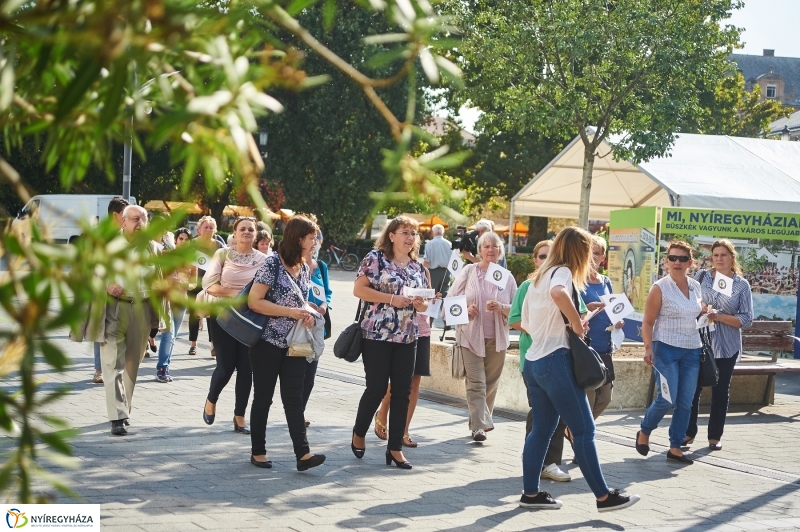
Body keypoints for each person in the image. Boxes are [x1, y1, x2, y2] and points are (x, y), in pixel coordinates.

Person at [519, 226, 639, 511]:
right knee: (584, 431)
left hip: (535, 360)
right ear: (579, 252)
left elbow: (526, 321)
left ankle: (531, 494)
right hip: (555, 359)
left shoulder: (537, 278)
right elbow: (560, 294)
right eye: (589, 251)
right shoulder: (561, 273)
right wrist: (574, 323)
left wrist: (572, 320)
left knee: (542, 430)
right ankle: (604, 496)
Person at [247, 215, 326, 471]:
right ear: (299, 238)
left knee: (294, 398)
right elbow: (254, 301)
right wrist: (289, 312)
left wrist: (308, 315)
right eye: (312, 238)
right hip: (267, 342)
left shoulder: (304, 267)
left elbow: (300, 301)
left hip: (294, 344)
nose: (315, 242)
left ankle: (303, 455)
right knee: (264, 398)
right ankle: (258, 451)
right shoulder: (272, 264)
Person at [350, 216, 429, 470]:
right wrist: (391, 299)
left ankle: (394, 448)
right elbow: (359, 290)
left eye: (413, 233)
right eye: (405, 232)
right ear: (392, 235)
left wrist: (420, 303)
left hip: (408, 336)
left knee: (402, 392)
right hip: (377, 335)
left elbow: (425, 302)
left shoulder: (417, 267)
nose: (410, 237)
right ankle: (359, 432)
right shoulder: (376, 259)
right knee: (376, 388)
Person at [636, 241, 702, 465]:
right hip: (665, 349)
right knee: (667, 398)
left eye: (683, 259)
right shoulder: (660, 287)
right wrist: (648, 348)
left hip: (692, 350)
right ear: (666, 261)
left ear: (690, 263)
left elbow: (695, 314)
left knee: (685, 401)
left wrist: (707, 314)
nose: (677, 262)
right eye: (673, 258)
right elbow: (647, 322)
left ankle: (675, 447)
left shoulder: (695, 286)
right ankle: (645, 431)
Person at [510, 239, 570, 482]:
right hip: (534, 359)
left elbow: (581, 311)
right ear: (535, 260)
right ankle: (539, 461)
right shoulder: (527, 286)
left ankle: (547, 461)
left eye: (551, 255)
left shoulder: (564, 283)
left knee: (557, 412)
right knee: (541, 412)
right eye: (542, 256)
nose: (547, 260)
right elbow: (514, 320)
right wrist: (541, 329)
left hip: (560, 357)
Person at [448, 231, 517, 442]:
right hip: (470, 336)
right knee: (476, 383)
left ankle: (479, 421)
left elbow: (518, 309)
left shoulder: (506, 277)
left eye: (495, 246)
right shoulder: (469, 271)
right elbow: (451, 301)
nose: (490, 250)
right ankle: (479, 427)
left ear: (500, 251)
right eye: (486, 246)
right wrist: (466, 309)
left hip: (497, 339)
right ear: (479, 250)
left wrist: (502, 307)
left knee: (491, 383)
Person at [685, 239, 753, 451]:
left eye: (724, 255)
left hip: (726, 345)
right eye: (716, 255)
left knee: (720, 391)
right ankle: (688, 433)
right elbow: (690, 303)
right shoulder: (702, 276)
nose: (719, 259)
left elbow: (747, 319)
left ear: (732, 257)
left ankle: (714, 436)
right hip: (700, 342)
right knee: (693, 390)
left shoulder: (741, 285)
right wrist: (701, 309)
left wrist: (720, 316)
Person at [201, 217, 267, 434]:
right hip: (223, 315)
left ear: (255, 234)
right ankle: (211, 400)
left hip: (250, 318)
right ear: (235, 233)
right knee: (225, 366)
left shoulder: (264, 259)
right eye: (242, 229)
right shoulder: (223, 254)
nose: (247, 232)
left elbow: (267, 288)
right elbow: (211, 286)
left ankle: (240, 417)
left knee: (246, 370)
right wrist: (243, 295)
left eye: (251, 229)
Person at [100, 205, 162, 435]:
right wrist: (107, 284)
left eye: (144, 219)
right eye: (135, 219)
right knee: (111, 363)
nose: (140, 223)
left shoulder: (154, 248)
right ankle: (117, 416)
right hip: (113, 308)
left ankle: (124, 409)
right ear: (123, 222)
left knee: (131, 365)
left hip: (142, 309)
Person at [374, 266, 435, 448]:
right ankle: (383, 411)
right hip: (401, 329)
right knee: (400, 379)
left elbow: (428, 300)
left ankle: (403, 430)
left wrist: (431, 299)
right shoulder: (391, 267)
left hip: (422, 329)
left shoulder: (423, 270)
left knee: (415, 381)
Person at [573, 236, 623, 423]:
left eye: (596, 253)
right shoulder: (577, 280)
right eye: (588, 253)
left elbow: (611, 308)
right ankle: (582, 437)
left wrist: (617, 321)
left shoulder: (606, 281)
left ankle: (577, 430)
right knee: (590, 398)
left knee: (606, 398)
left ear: (603, 257)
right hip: (586, 347)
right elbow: (571, 311)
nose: (591, 257)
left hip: (605, 346)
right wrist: (587, 307)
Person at [91, 197, 130, 384]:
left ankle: (115, 367)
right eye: (125, 214)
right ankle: (99, 369)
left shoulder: (128, 235)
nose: (128, 218)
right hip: (102, 292)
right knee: (102, 330)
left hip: (125, 293)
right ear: (115, 215)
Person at [155, 227, 197, 383]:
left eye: (187, 239)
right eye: (181, 238)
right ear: (176, 240)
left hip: (181, 299)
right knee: (168, 333)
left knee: (173, 336)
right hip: (166, 299)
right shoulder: (166, 255)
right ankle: (162, 368)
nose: (184, 242)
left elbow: (194, 283)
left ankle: (165, 367)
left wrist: (187, 284)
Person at [302, 237, 332, 427]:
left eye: (316, 239)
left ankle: (300, 410)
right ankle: (295, 411)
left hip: (316, 326)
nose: (314, 243)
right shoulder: (291, 264)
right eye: (310, 239)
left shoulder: (321, 266)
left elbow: (327, 292)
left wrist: (323, 305)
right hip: (297, 323)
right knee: (296, 373)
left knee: (310, 376)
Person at [188, 216, 225, 356]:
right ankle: (193, 343)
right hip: (195, 282)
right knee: (194, 313)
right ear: (199, 229)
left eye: (211, 227)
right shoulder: (192, 244)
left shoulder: (218, 246)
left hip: (212, 284)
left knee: (212, 314)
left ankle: (213, 344)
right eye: (206, 227)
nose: (209, 230)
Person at [423, 224, 452, 297]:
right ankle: (443, 308)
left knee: (432, 295)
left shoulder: (429, 244)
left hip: (434, 272)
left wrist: (422, 272)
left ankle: (434, 308)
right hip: (446, 272)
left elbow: (427, 261)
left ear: (432, 233)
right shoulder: (449, 244)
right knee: (444, 294)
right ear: (443, 233)